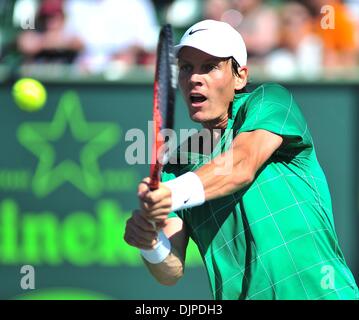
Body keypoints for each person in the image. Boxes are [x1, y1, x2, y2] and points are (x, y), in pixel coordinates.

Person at [124, 20, 359, 300]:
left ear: (240, 77)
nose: (195, 78)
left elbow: (240, 166)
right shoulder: (176, 167)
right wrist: (150, 242)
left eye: (210, 66)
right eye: (186, 67)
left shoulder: (270, 101)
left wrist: (171, 194)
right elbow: (171, 270)